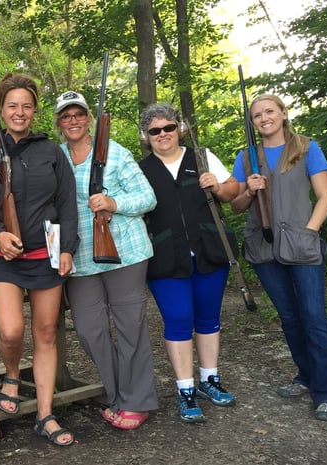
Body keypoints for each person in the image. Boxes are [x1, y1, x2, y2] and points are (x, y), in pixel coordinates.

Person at [0, 73, 78, 446]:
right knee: (12, 329)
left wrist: (68, 247)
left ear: (35, 110)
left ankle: (46, 414)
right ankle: (13, 373)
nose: (20, 112)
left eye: (27, 106)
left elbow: (67, 203)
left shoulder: (52, 152)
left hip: (45, 255)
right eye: (12, 105)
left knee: (46, 333)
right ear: (0, 109)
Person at [230, 94, 327, 421]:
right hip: (264, 249)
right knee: (290, 318)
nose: (264, 118)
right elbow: (235, 206)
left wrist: (309, 232)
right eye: (257, 115)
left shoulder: (307, 147)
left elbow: (325, 196)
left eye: (269, 111)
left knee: (314, 318)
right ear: (253, 123)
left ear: (282, 113)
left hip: (302, 245)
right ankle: (305, 377)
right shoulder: (247, 157)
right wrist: (249, 190)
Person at [54, 91, 159, 430]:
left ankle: (136, 401)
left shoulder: (115, 153)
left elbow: (147, 197)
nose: (73, 120)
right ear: (59, 122)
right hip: (80, 260)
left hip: (125, 255)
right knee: (90, 330)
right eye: (66, 115)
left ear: (88, 119)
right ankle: (117, 395)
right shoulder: (56, 158)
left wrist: (113, 203)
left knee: (131, 328)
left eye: (79, 114)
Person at [137, 103, 239, 423]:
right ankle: (186, 389)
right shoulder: (139, 169)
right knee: (179, 319)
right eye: (155, 131)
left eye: (168, 127)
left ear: (179, 127)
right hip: (165, 256)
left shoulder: (203, 156)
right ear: (146, 136)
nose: (163, 135)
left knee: (208, 318)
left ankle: (210, 380)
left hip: (210, 249)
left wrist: (218, 186)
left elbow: (234, 191)